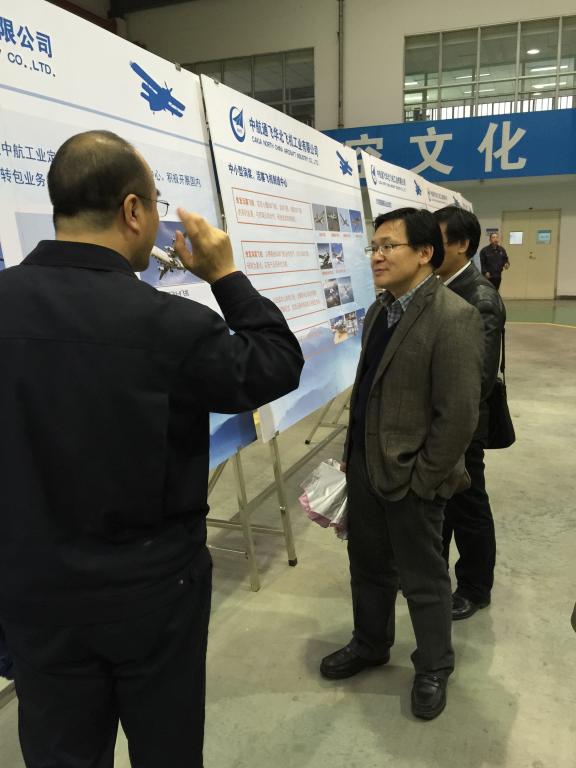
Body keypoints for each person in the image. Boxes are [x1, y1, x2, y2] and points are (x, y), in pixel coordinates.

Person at [0, 130, 304, 768]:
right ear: (132, 210)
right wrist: (225, 274)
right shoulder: (174, 326)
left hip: (36, 594)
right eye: (157, 203)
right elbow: (277, 362)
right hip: (153, 596)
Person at [320, 208, 484, 720]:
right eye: (374, 247)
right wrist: (353, 459)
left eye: (388, 246)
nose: (377, 256)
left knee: (423, 577)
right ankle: (370, 643)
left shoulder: (454, 318)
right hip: (366, 468)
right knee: (367, 565)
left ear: (425, 253)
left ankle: (433, 665)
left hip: (414, 478)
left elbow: (458, 416)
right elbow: (370, 390)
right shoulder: (379, 311)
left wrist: (424, 480)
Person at [434, 206, 506, 620]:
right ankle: (434, 575)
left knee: (469, 506)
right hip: (439, 421)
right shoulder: (443, 287)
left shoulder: (480, 298)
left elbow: (478, 377)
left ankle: (475, 588)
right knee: (442, 504)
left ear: (462, 245)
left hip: (463, 425)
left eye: (436, 241)